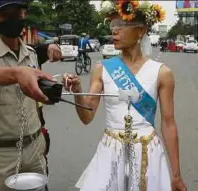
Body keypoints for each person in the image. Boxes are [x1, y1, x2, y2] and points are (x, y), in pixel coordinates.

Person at [63, 1, 187, 191]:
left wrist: (176, 175)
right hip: (110, 151)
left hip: (148, 153)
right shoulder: (102, 69)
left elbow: (169, 123)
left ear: (141, 31)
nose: (114, 31)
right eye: (112, 26)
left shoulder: (161, 73)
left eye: (121, 25)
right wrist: (77, 91)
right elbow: (87, 117)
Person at [0, 0, 61, 190]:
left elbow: (34, 93)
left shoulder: (31, 53)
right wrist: (18, 73)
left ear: (24, 14)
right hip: (1, 154)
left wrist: (51, 92)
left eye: (17, 12)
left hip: (35, 147)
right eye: (4, 14)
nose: (11, 19)